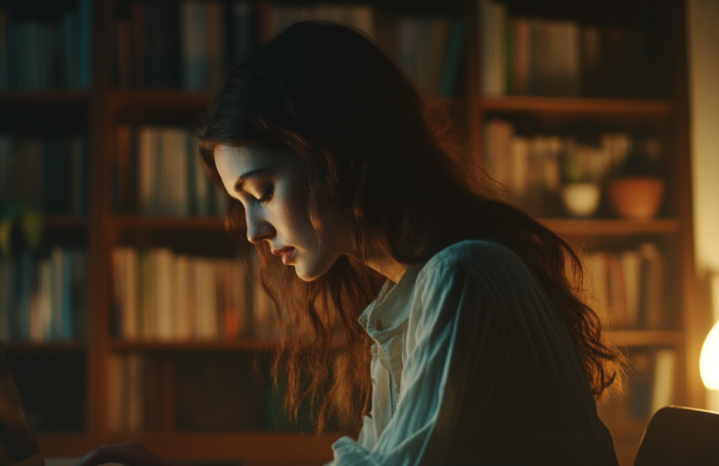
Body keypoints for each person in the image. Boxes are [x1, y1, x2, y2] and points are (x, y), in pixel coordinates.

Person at [78, 21, 623, 466]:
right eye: (241, 202)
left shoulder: (463, 275)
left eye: (262, 190)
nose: (253, 230)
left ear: (338, 153)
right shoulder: (404, 301)